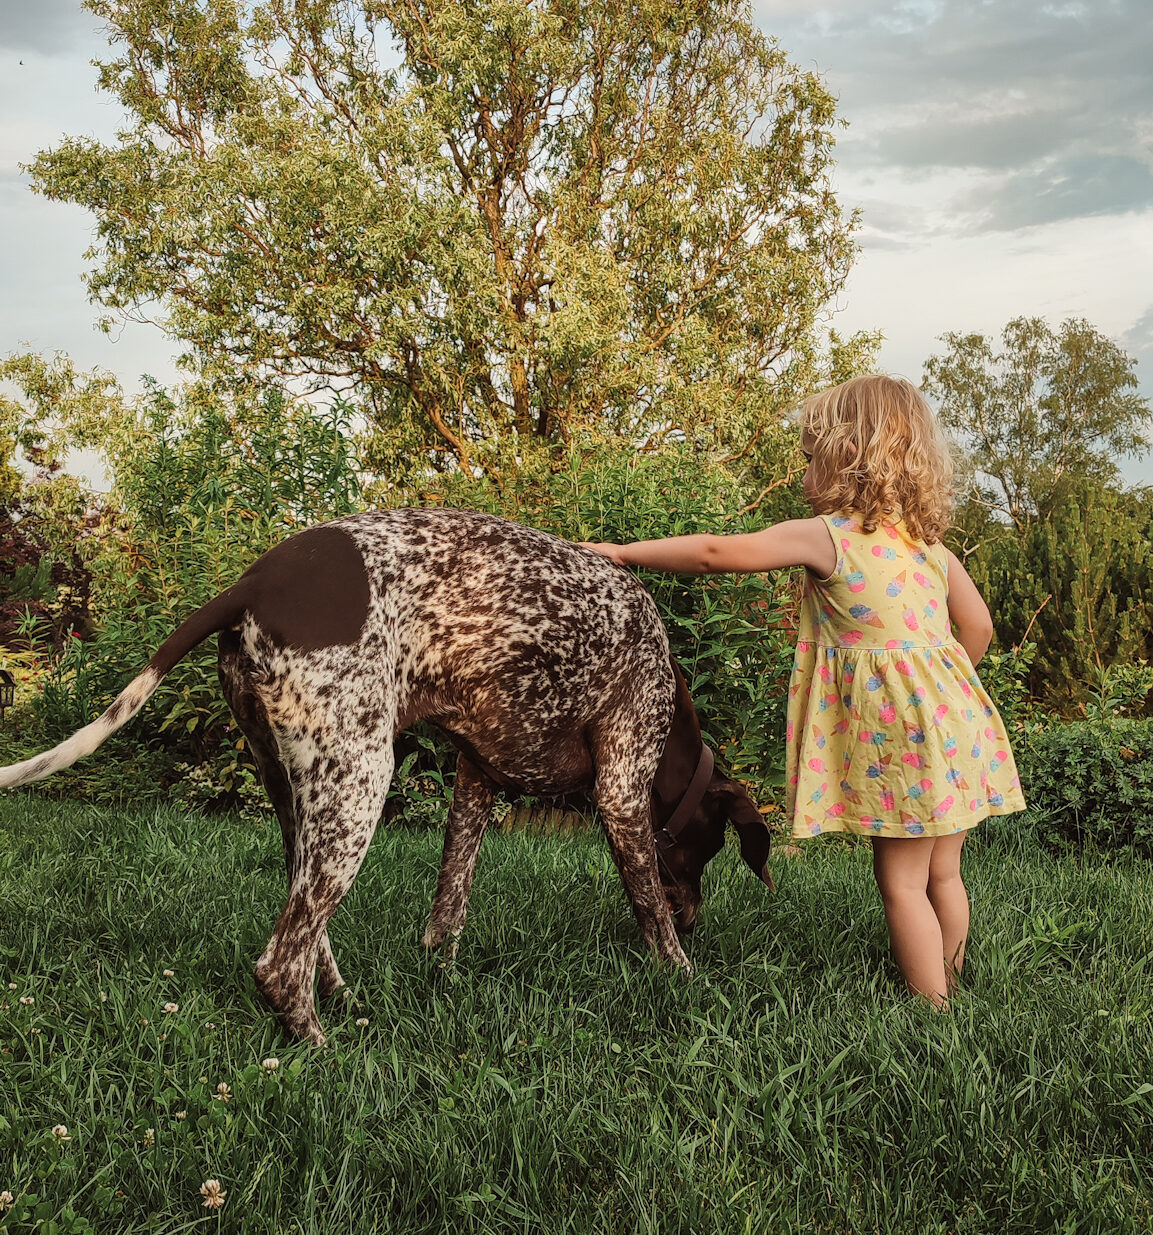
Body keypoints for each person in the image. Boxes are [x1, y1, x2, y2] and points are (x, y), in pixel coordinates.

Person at [580, 374, 1025, 1007]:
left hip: (903, 738)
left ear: (849, 454)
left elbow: (713, 552)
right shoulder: (931, 547)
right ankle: (954, 976)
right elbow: (977, 628)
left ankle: (936, 1010)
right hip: (961, 727)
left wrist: (621, 553)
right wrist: (941, 692)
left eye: (811, 455)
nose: (803, 472)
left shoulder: (830, 535)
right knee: (943, 872)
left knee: (900, 882)